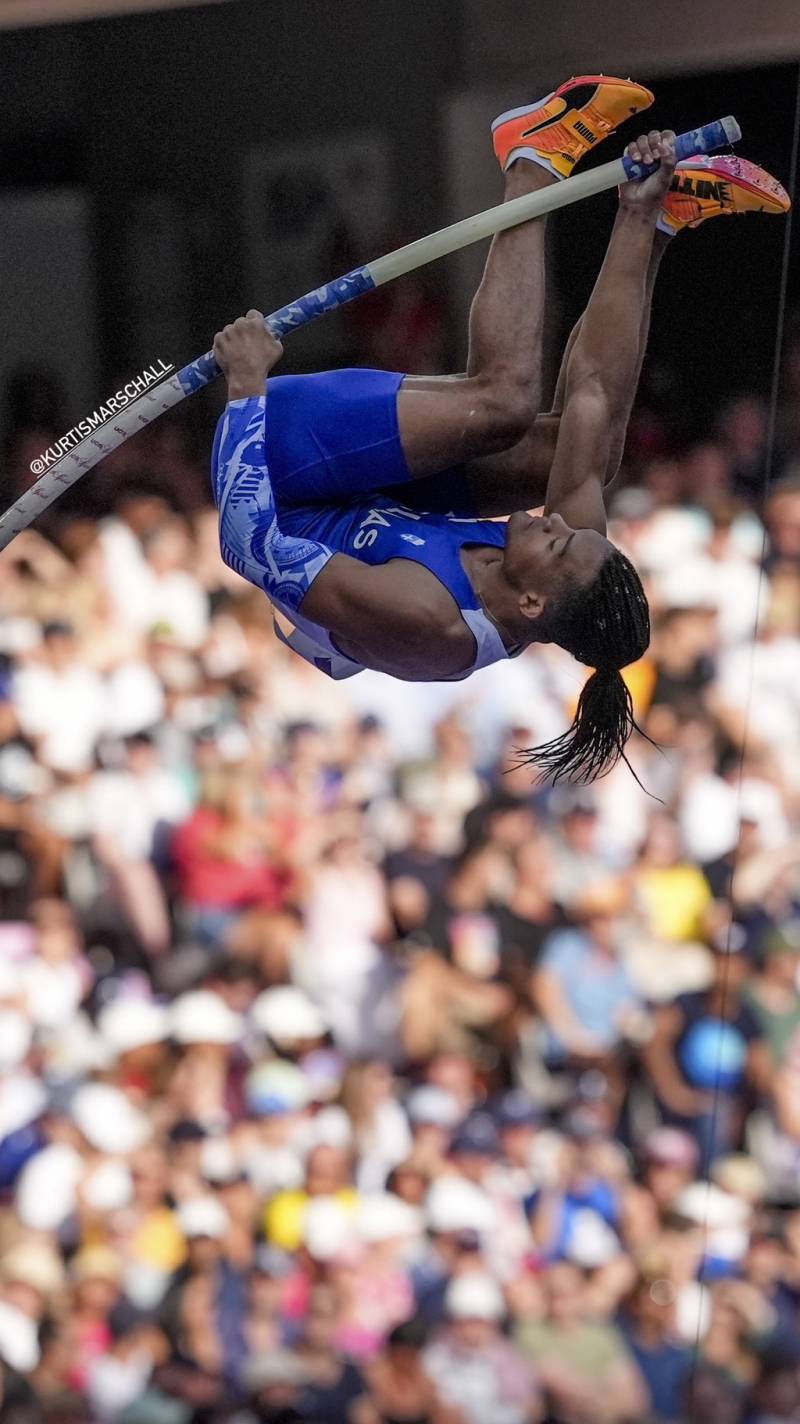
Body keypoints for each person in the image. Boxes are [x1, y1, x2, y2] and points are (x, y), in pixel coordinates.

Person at [210, 75, 789, 785]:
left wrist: (244, 392)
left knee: (505, 402)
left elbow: (245, 544)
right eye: (572, 531)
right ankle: (665, 215)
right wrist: (639, 224)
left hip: (276, 476)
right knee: (587, 452)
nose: (556, 523)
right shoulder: (558, 570)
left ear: (533, 603)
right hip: (374, 498)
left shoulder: (429, 621)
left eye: (559, 541)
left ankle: (532, 159)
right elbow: (593, 397)